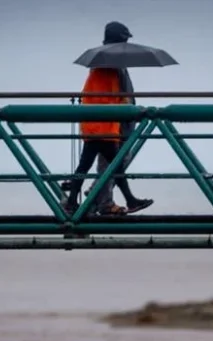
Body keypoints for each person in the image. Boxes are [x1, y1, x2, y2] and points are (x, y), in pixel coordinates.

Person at [60, 21, 153, 215]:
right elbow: (111, 99)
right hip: (104, 127)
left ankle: (75, 201)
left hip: (98, 126)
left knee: (91, 165)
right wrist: (129, 109)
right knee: (114, 166)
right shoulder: (109, 69)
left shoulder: (104, 67)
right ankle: (112, 201)